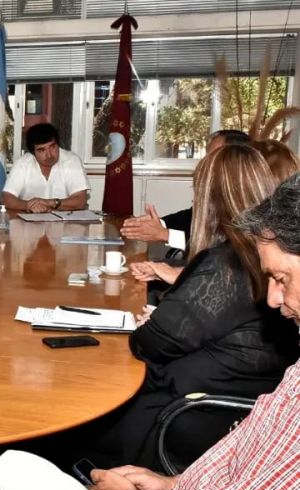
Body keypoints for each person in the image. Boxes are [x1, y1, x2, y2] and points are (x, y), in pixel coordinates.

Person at [0, 174, 300, 490]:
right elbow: (249, 469)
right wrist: (172, 486)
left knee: (11, 472)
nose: (273, 298)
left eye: (282, 278)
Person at [94, 144, 299, 469]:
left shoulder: (227, 265)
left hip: (183, 422)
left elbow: (149, 343)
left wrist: (152, 321)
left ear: (208, 201)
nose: (276, 295)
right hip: (230, 417)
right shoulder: (261, 262)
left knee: (73, 424)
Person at [121, 129, 251, 251]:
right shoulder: (215, 188)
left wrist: (165, 234)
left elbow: (220, 249)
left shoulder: (245, 199)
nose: (204, 162)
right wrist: (156, 224)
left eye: (213, 156)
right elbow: (190, 217)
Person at [1, 122, 89, 213]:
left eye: (52, 147)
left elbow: (80, 201)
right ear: (33, 153)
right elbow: (6, 198)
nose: (49, 155)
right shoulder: (22, 163)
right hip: (31, 219)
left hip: (66, 219)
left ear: (58, 145)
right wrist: (27, 205)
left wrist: (50, 203)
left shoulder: (72, 161)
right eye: (42, 150)